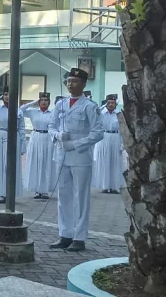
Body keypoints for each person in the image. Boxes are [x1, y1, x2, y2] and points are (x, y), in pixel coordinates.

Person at [48, 68, 103, 252]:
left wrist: (77, 144)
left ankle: (79, 237)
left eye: (75, 81)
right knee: (63, 196)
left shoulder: (89, 106)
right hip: (61, 155)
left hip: (80, 156)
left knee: (81, 197)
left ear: (84, 84)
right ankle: (65, 234)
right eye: (69, 81)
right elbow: (51, 126)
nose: (71, 84)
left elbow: (98, 133)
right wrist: (57, 135)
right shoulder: (61, 104)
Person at [0, 89, 24, 204]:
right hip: (0, 135)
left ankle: (11, 192)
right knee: (1, 164)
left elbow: (21, 128)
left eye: (9, 94)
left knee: (11, 165)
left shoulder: (18, 111)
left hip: (13, 135)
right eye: (5, 95)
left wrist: (23, 144)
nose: (7, 97)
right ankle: (2, 193)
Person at [22, 92, 57, 200]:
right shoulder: (33, 111)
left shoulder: (52, 113)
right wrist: (33, 102)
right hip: (36, 136)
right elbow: (21, 109)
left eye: (46, 100)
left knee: (46, 163)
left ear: (49, 102)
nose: (44, 102)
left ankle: (45, 190)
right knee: (36, 162)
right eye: (41, 100)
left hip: (47, 137)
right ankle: (37, 189)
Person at [92, 94, 125, 194]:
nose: (111, 105)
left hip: (115, 137)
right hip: (104, 137)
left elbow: (122, 129)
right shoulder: (101, 113)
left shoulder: (119, 114)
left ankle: (114, 186)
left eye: (113, 103)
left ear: (116, 104)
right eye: (109, 103)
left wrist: (122, 144)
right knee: (104, 162)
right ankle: (105, 186)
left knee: (115, 162)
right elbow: (95, 117)